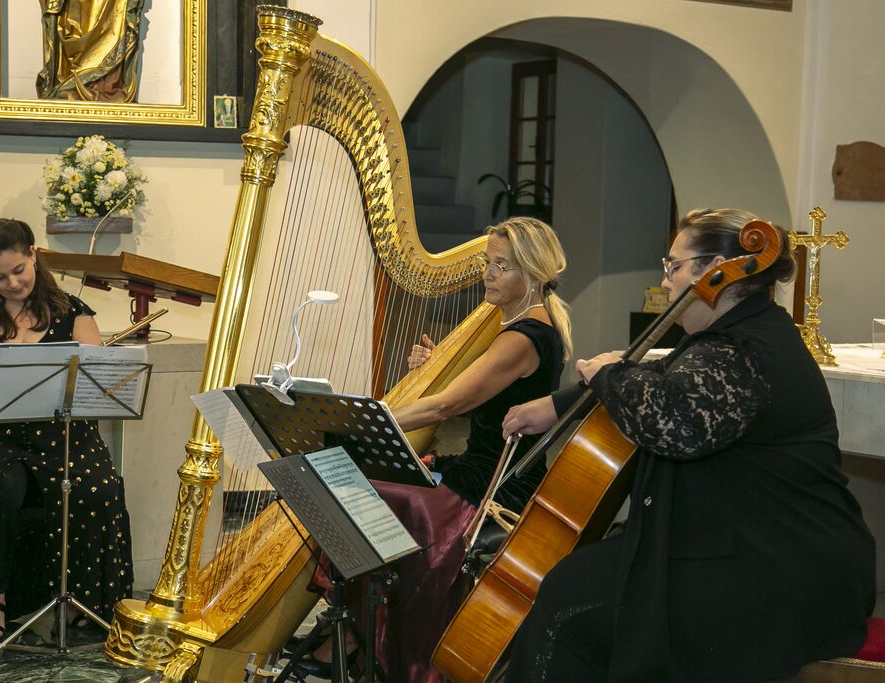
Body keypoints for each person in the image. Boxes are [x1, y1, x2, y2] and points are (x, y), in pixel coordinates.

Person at [501, 208, 876, 682]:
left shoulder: (745, 351)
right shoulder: (734, 334)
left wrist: (610, 374)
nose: (666, 282)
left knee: (568, 599)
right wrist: (560, 404)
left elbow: (674, 423)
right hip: (741, 546)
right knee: (577, 584)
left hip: (781, 570)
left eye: (673, 266)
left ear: (714, 269)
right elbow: (663, 372)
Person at [303, 216, 573, 682]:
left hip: (493, 484)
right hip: (478, 466)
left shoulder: (523, 337)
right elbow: (485, 394)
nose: (488, 274)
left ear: (532, 273)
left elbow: (444, 406)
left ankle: (365, 635)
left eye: (502, 266)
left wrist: (357, 424)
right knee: (363, 484)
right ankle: (358, 631)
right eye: (487, 263)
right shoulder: (527, 324)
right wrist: (434, 366)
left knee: (360, 489)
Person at [0, 218, 134, 642]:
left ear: (33, 255)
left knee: (97, 486)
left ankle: (85, 601)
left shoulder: (73, 312)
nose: (12, 284)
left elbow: (94, 384)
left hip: (65, 435)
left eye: (18, 270)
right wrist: (5, 384)